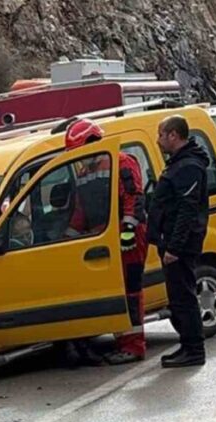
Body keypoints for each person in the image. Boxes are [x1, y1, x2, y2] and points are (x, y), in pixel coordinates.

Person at [64, 118, 149, 364]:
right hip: (104, 240)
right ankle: (123, 341)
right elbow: (81, 211)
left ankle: (134, 346)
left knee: (131, 292)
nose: (78, 155)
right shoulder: (84, 171)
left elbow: (134, 197)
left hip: (127, 238)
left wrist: (128, 232)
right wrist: (67, 238)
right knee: (115, 292)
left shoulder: (121, 161)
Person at [148, 115, 209, 368]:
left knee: (184, 297)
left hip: (180, 246)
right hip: (173, 242)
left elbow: (187, 209)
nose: (158, 140)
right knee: (178, 297)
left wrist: (174, 247)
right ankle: (187, 345)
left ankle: (194, 350)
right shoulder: (179, 163)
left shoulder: (188, 167)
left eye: (161, 134)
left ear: (174, 135)